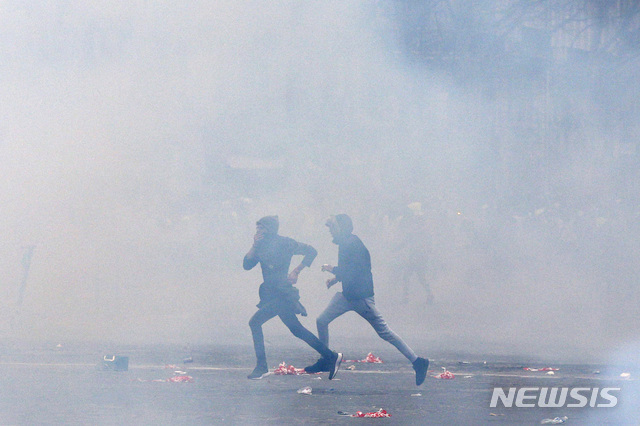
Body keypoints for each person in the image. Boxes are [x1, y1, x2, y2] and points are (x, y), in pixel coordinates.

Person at [304, 214, 429, 386]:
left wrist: (332, 269)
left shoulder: (350, 244)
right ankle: (327, 358)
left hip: (360, 298)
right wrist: (336, 279)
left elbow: (353, 271)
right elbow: (352, 270)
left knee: (385, 332)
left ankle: (418, 362)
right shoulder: (347, 243)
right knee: (321, 320)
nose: (331, 232)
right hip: (348, 295)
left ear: (341, 228)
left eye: (332, 228)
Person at [244, 215, 342, 380]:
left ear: (270, 229)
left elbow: (312, 251)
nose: (258, 231)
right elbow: (246, 265)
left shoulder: (284, 243)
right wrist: (254, 245)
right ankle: (331, 356)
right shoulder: (260, 246)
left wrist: (297, 270)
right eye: (257, 228)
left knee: (255, 322)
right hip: (271, 293)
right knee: (297, 329)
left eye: (262, 228)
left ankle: (261, 366)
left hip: (281, 294)